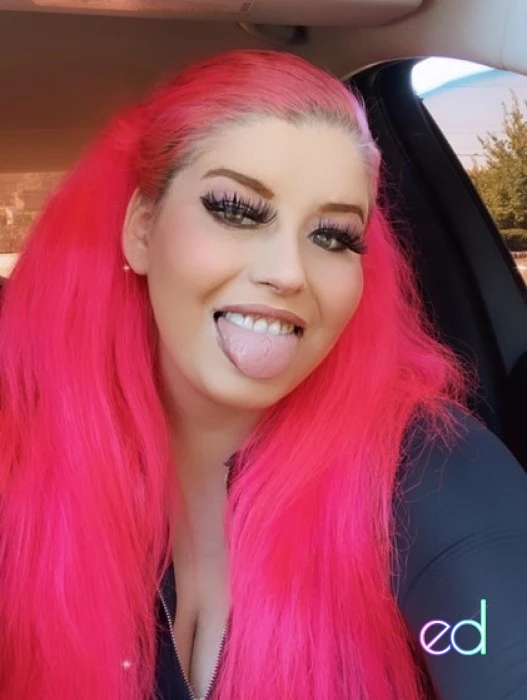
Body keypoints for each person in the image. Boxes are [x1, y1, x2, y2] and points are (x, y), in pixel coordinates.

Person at [0, 49, 526, 700]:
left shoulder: (424, 466)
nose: (288, 272)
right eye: (236, 210)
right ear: (142, 230)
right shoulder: (28, 450)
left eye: (333, 236)